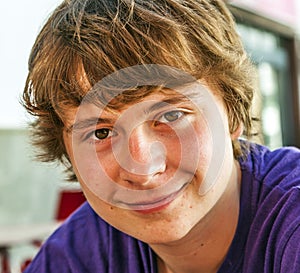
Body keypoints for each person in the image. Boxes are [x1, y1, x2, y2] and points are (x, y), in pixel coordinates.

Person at [22, 0, 300, 272]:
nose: (142, 168)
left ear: (232, 114)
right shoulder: (78, 253)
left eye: (171, 116)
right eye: (101, 132)